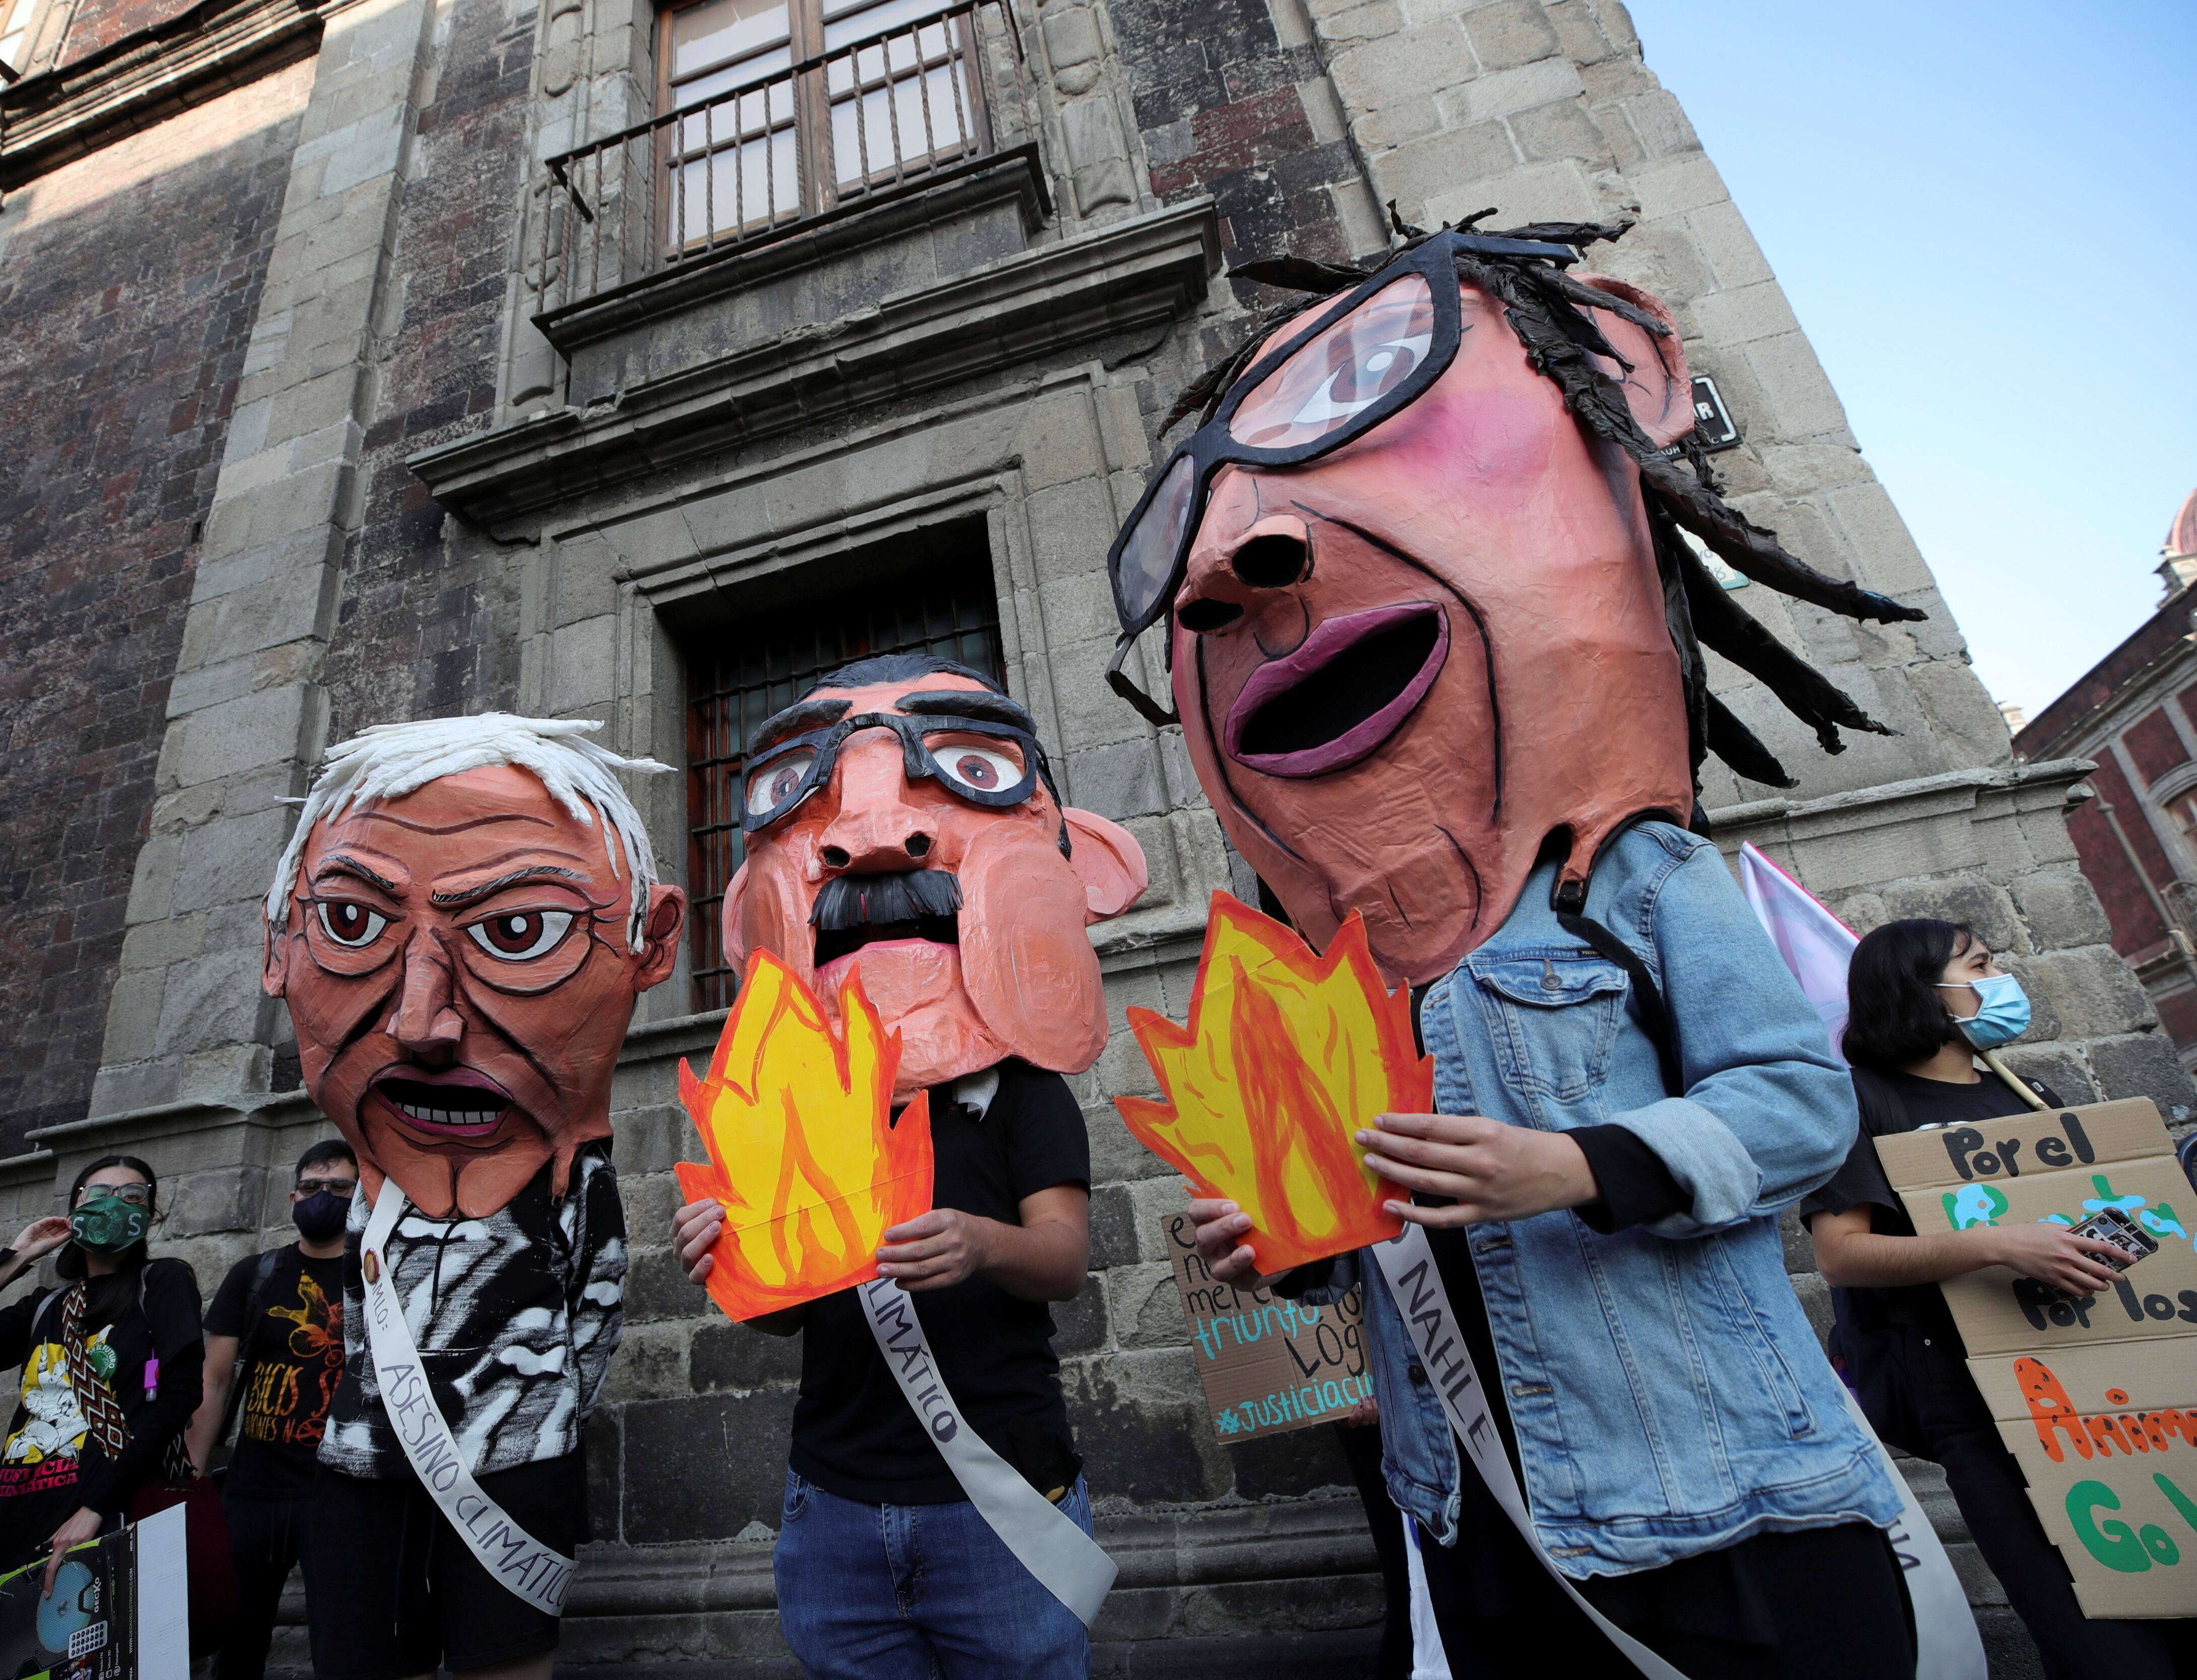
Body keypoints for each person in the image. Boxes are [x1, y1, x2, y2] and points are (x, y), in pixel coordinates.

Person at [1132, 219, 1937, 1677]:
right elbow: (1378, 1250)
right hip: (1474, 1530)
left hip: (1726, 1516)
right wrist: (1296, 1251)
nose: (1225, 571)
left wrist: (1577, 1164)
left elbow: (1804, 1110)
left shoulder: (1629, 879)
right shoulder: (1331, 977)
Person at [670, 651, 1151, 1678]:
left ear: (1086, 867)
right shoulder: (792, 1108)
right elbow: (783, 1312)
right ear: (742, 916)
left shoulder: (1021, 1095)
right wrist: (728, 1260)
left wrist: (982, 1243)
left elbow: (1063, 1257)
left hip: (1000, 1499)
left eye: (972, 769)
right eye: (793, 798)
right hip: (833, 1504)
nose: (876, 831)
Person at [262, 714, 685, 1680]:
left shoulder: (572, 1181)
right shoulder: (362, 1187)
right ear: (278, 942)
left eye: (518, 930)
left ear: (648, 945)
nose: (422, 1022)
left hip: (513, 1467)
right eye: (352, 922)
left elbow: (597, 1307)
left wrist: (538, 1413)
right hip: (362, 1459)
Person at [1806, 919, 2197, 1678]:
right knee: (2097, 1641)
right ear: (1920, 990)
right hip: (1985, 1408)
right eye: (1979, 964)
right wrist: (1999, 1244)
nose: (1998, 977)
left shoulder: (2027, 1090)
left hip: (2101, 1395)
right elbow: (1841, 1254)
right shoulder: (1860, 1103)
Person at [0, 1152, 205, 1592]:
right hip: (8, 1513)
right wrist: (15, 1259)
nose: (114, 1203)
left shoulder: (162, 1282)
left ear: (148, 1215)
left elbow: (180, 1395)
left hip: (93, 1514)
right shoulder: (48, 1305)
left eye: (132, 1196)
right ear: (74, 1212)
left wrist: (94, 1508)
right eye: (99, 1193)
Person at [186, 1139, 359, 1680]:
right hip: (252, 1488)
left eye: (338, 1187)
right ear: (292, 1196)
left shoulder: (377, 1275)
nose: (322, 1196)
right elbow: (214, 1380)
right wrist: (191, 1473)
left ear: (362, 1197)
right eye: (311, 1186)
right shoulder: (255, 1274)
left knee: (346, 1641)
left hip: (338, 1489)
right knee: (235, 1645)